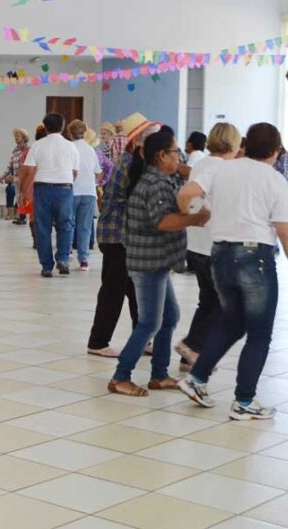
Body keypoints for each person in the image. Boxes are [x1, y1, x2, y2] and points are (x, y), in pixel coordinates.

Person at [177, 122, 288, 419]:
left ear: (245, 145)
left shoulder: (223, 169)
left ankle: (196, 379)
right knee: (260, 333)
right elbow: (286, 232)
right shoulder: (275, 180)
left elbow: (186, 196)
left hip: (220, 254)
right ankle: (244, 401)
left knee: (232, 323)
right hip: (254, 258)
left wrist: (202, 215)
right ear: (275, 151)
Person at [106, 130, 209, 397]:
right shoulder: (153, 184)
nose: (179, 157)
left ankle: (159, 374)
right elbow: (163, 222)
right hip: (148, 262)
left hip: (157, 261)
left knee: (170, 317)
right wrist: (196, 219)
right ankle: (120, 376)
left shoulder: (160, 178)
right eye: (176, 152)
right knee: (150, 323)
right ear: (161, 156)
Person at [87, 114, 161, 358]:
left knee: (135, 290)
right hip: (118, 236)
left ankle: (143, 339)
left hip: (124, 236)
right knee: (113, 290)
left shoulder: (133, 161)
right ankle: (98, 342)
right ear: (139, 140)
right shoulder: (131, 163)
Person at [174, 123, 242, 371]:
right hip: (213, 244)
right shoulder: (219, 167)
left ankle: (190, 355)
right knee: (225, 303)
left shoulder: (202, 162)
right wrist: (192, 215)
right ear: (232, 143)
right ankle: (192, 345)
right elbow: (186, 195)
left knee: (209, 300)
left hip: (198, 243)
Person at [21, 113, 79, 277]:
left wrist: (24, 190)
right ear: (62, 127)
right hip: (65, 189)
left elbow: (29, 170)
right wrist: (67, 181)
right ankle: (63, 259)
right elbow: (75, 172)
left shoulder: (37, 145)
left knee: (42, 228)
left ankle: (46, 266)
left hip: (42, 189)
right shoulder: (70, 146)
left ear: (45, 127)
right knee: (66, 225)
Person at [68, 120, 102, 271]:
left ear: (70, 133)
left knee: (69, 223)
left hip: (72, 190)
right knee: (85, 226)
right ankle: (84, 259)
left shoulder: (69, 148)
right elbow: (98, 172)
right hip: (89, 191)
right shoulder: (91, 149)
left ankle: (67, 252)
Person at [5, 128, 30, 223]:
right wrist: (2, 177)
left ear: (23, 137)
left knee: (23, 197)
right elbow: (10, 165)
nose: (15, 138)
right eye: (15, 136)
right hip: (16, 177)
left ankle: (23, 217)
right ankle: (21, 216)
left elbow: (26, 165)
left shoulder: (27, 149)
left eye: (17, 136)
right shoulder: (15, 150)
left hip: (24, 177)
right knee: (19, 196)